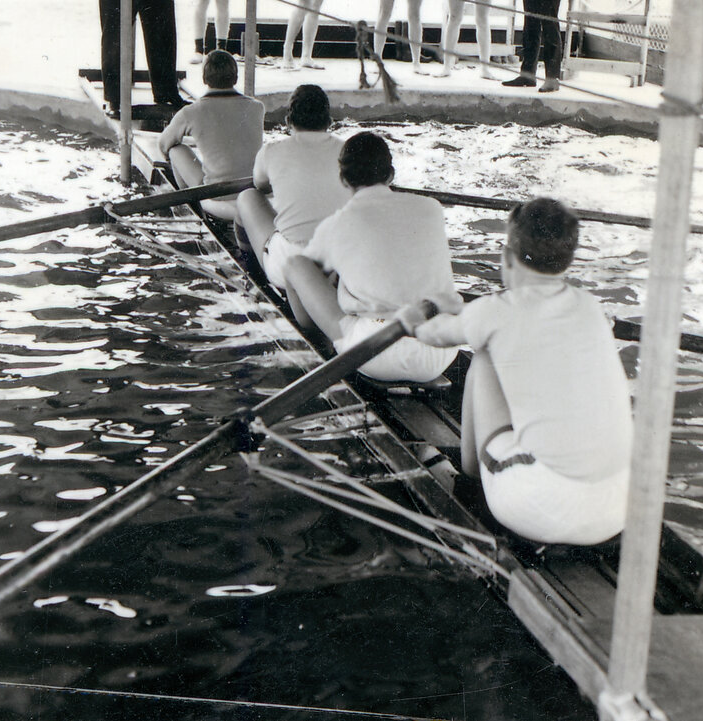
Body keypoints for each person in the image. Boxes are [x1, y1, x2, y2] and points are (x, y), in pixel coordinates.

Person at [401, 198, 632, 546]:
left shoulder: (496, 312)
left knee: (485, 352)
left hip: (540, 508)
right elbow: (506, 320)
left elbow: (432, 334)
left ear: (506, 257)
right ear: (568, 259)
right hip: (618, 507)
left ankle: (470, 481)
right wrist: (464, 310)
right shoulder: (591, 307)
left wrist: (410, 321)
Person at [284, 132, 458, 384]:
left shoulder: (338, 222)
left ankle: (317, 337)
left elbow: (314, 273)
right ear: (390, 174)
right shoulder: (432, 207)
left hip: (375, 353)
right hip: (441, 350)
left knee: (295, 265)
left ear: (343, 179)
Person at [236, 85, 350, 290]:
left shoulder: (271, 151)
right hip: (340, 264)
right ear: (329, 121)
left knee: (247, 197)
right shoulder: (349, 151)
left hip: (289, 268)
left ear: (288, 121)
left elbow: (260, 186)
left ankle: (249, 271)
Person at [157, 51, 263, 222]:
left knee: (176, 149)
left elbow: (163, 145)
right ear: (235, 79)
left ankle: (191, 207)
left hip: (216, 197)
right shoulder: (258, 107)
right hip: (252, 192)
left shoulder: (190, 112)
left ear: (204, 79)